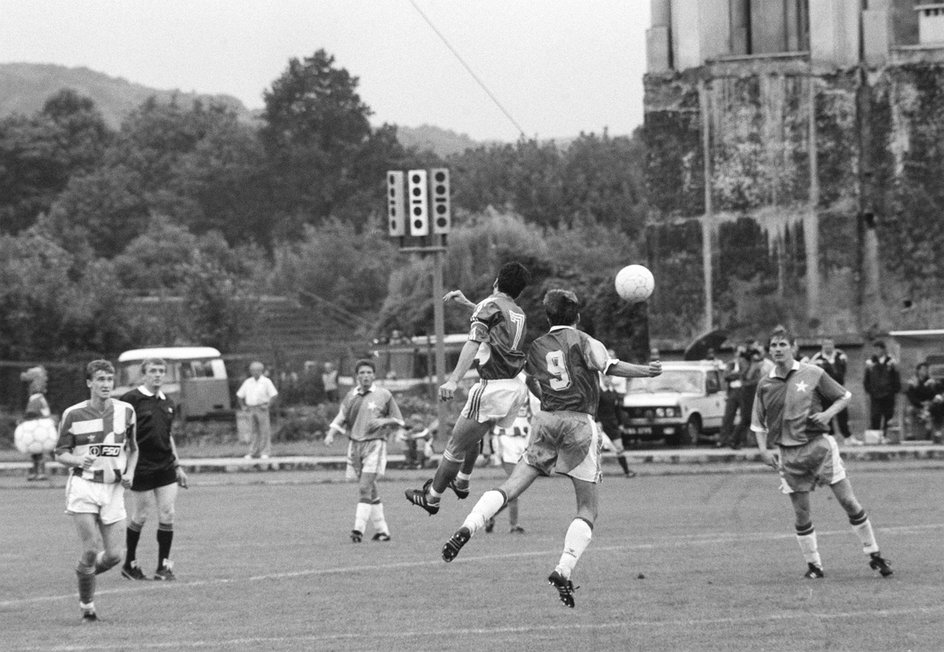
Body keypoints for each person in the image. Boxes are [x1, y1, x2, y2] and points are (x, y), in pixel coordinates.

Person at [439, 289, 662, 608]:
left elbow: (502, 334)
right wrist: (647, 371)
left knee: (511, 486)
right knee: (587, 508)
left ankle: (468, 527)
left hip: (546, 421)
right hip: (579, 424)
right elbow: (609, 367)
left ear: (547, 318)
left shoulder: (537, 346)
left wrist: (468, 305)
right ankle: (563, 569)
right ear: (578, 317)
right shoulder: (584, 341)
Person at [750, 327, 893, 580]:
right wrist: (762, 450)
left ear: (793, 347)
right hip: (788, 454)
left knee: (848, 501)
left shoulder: (813, 372)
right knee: (801, 512)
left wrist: (827, 414)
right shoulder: (765, 384)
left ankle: (875, 554)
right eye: (773, 345)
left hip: (819, 447)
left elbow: (844, 396)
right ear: (769, 351)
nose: (778, 349)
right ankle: (814, 565)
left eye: (783, 344)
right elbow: (757, 423)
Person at [405, 261, 532, 516]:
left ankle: (432, 497)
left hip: (491, 387)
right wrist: (467, 304)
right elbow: (496, 323)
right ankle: (462, 480)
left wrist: (453, 380)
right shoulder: (517, 312)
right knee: (473, 434)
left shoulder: (489, 305)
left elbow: (474, 341)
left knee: (454, 446)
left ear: (497, 280)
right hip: (513, 388)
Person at [54, 359, 138, 622]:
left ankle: (84, 575)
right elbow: (60, 454)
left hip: (113, 490)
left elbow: (133, 449)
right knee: (91, 548)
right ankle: (87, 606)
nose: (105, 384)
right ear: (89, 382)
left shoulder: (126, 411)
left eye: (109, 379)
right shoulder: (73, 414)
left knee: (114, 556)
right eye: (100, 379)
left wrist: (130, 473)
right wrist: (79, 460)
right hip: (84, 485)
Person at [120, 358, 189, 582]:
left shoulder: (167, 402)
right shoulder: (131, 400)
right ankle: (130, 563)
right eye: (153, 371)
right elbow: (119, 433)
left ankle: (163, 567)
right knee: (140, 515)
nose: (158, 374)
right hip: (140, 466)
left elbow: (168, 435)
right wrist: (123, 465)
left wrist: (177, 465)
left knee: (168, 513)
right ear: (143, 374)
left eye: (161, 371)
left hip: (165, 465)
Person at [326, 359, 405, 542]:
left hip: (375, 444)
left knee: (364, 487)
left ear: (374, 375)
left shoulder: (384, 394)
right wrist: (330, 434)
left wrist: (383, 421)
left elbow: (399, 420)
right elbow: (341, 416)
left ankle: (358, 530)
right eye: (362, 373)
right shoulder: (350, 396)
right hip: (355, 446)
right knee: (370, 488)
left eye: (369, 372)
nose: (365, 376)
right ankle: (383, 531)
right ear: (357, 376)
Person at [485, 399, 534, 534]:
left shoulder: (530, 386)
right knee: (515, 487)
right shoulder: (505, 383)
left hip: (523, 440)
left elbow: (533, 414)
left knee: (517, 488)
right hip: (505, 439)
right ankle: (514, 525)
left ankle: (489, 515)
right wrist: (491, 447)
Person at [808, 338, 852, 439]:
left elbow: (842, 371)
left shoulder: (840, 355)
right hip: (824, 390)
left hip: (839, 388)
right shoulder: (817, 358)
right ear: (822, 346)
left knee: (843, 412)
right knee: (827, 412)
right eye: (826, 344)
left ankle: (847, 436)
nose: (828, 346)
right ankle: (830, 436)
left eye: (830, 344)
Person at [236, 361, 279, 460]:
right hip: (251, 408)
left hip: (261, 408)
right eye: (253, 370)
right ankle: (253, 451)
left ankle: (265, 452)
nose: (255, 372)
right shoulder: (248, 382)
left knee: (264, 430)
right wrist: (243, 406)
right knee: (253, 431)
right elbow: (239, 395)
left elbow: (274, 394)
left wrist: (268, 405)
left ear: (261, 371)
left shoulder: (266, 381)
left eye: (257, 370)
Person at [597, 371, 636, 477]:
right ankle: (594, 473)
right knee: (597, 450)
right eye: (605, 377)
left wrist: (620, 423)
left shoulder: (614, 392)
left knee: (619, 448)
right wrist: (597, 421)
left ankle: (627, 471)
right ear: (601, 378)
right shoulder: (598, 392)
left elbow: (617, 410)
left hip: (613, 424)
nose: (607, 379)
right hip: (601, 426)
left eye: (609, 377)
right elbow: (594, 409)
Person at [20, 366, 54, 481]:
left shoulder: (36, 397)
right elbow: (32, 412)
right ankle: (37, 472)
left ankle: (38, 472)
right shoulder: (38, 397)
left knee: (38, 453)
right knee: (37, 453)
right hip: (42, 426)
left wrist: (23, 420)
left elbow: (31, 412)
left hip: (41, 427)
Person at [863, 340, 901, 438]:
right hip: (875, 394)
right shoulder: (870, 363)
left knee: (888, 415)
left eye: (879, 349)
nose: (876, 351)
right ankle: (875, 437)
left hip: (888, 393)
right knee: (875, 415)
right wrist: (869, 390)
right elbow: (866, 379)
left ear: (883, 350)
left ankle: (887, 436)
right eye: (875, 349)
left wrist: (894, 390)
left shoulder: (891, 362)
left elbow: (896, 377)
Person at [718, 346, 746, 448]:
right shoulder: (731, 364)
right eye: (738, 353)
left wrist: (735, 374)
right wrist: (736, 375)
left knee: (744, 416)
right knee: (728, 416)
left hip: (743, 391)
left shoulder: (746, 363)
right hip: (733, 391)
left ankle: (739, 440)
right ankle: (723, 439)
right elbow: (726, 376)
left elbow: (745, 374)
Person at [905, 362, 939, 440]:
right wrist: (920, 403)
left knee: (930, 410)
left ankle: (929, 432)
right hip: (917, 405)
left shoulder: (930, 382)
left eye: (926, 369)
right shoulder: (913, 381)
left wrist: (927, 402)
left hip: (928, 405)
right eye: (923, 369)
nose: (925, 371)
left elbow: (933, 395)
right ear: (918, 371)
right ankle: (910, 434)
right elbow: (911, 396)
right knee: (909, 410)